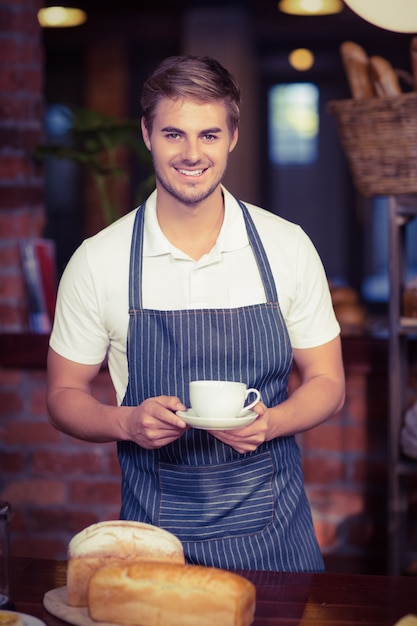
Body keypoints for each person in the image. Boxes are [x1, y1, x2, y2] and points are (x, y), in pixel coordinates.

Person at [46, 55, 345, 573]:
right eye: (173, 134)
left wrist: (271, 424)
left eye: (208, 135)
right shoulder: (99, 259)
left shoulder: (287, 247)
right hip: (154, 550)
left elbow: (328, 382)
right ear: (146, 133)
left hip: (279, 546)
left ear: (232, 136)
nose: (191, 154)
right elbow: (61, 396)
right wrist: (127, 422)